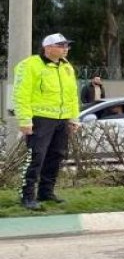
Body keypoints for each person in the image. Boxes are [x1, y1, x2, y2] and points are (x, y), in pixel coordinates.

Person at [13, 33, 80, 210]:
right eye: (61, 45)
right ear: (48, 48)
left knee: (56, 156)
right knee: (36, 157)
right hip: (40, 119)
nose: (66, 48)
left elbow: (72, 95)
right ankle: (26, 196)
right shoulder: (30, 65)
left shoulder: (67, 67)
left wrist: (74, 118)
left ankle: (46, 192)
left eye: (67, 45)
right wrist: (25, 120)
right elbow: (21, 94)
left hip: (62, 120)